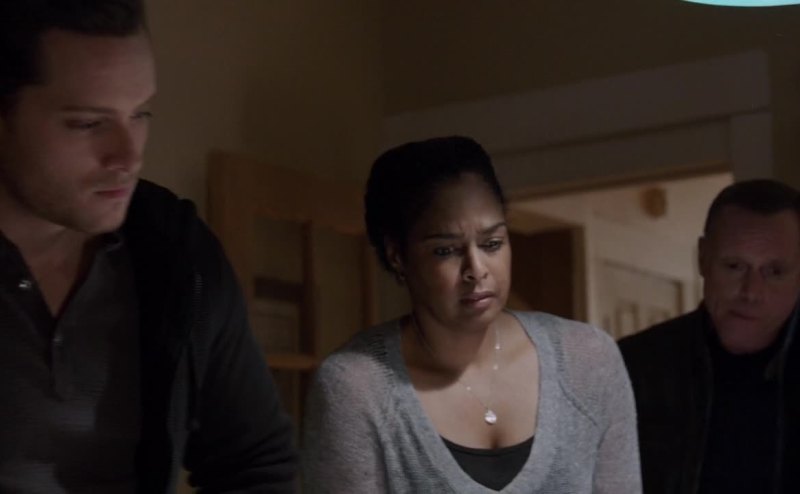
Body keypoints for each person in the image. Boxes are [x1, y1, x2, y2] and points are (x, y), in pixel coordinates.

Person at [0, 1, 296, 492]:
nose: (129, 155)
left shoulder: (177, 251)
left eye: (140, 113)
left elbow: (255, 461)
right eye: (88, 123)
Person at [302, 136, 641, 493]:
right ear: (397, 256)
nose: (477, 270)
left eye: (492, 244)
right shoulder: (358, 387)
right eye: (446, 250)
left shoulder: (588, 360)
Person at [618, 179, 800, 494]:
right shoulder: (632, 370)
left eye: (775, 272)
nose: (751, 292)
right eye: (734, 266)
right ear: (702, 258)